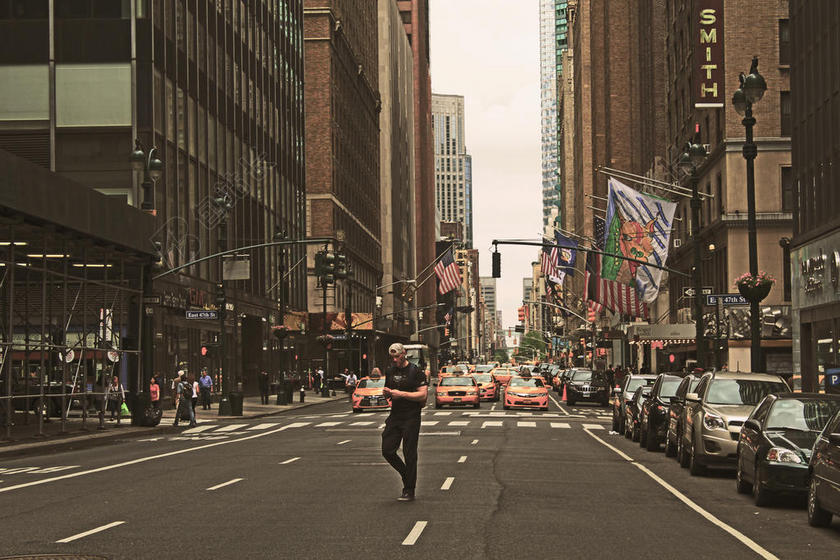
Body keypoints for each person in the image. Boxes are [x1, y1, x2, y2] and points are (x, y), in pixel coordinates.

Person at [381, 342, 428, 502]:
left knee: (409, 453)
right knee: (387, 450)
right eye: (392, 357)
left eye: (397, 356)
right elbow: (389, 392)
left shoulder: (416, 371)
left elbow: (423, 396)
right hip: (395, 415)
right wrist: (387, 394)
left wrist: (401, 394)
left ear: (404, 354)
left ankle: (409, 489)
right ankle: (406, 475)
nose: (394, 359)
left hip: (411, 416)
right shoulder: (390, 371)